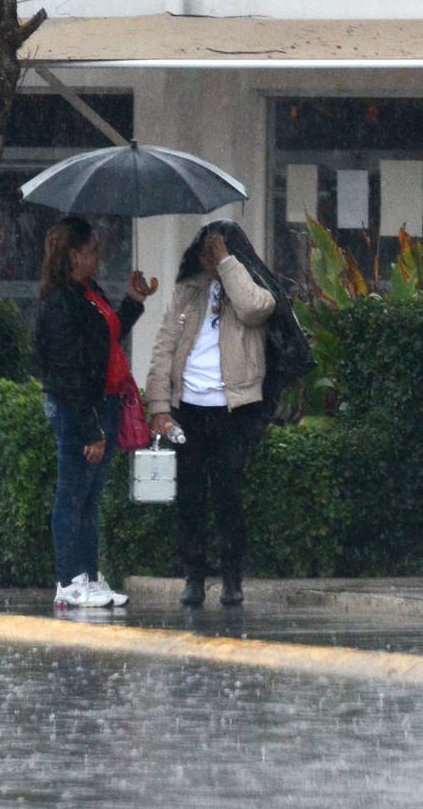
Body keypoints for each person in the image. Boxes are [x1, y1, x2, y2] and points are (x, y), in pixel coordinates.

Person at [146, 220, 277, 607]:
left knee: (229, 497)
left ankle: (232, 577)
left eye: (216, 251)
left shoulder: (249, 287)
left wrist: (228, 265)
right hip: (188, 409)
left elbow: (256, 309)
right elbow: (163, 348)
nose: (209, 259)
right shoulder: (187, 292)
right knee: (189, 497)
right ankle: (194, 576)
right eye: (206, 252)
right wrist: (158, 406)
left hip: (232, 410)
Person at [34, 216, 153, 609]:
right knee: (72, 495)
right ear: (75, 255)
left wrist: (132, 304)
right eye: (92, 250)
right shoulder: (61, 303)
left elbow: (107, 337)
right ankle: (69, 579)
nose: (98, 255)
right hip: (80, 407)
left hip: (104, 400)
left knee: (90, 498)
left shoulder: (88, 293)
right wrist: (91, 429)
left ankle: (88, 576)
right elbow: (68, 372)